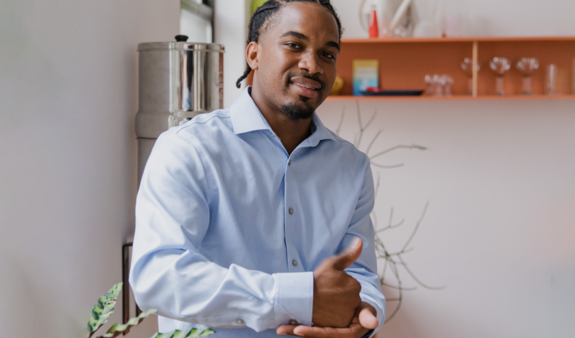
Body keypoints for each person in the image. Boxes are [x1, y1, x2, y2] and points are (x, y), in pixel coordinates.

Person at [129, 1, 385, 337]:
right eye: (294, 45)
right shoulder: (188, 148)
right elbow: (157, 278)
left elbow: (360, 275)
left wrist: (364, 314)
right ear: (254, 54)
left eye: (328, 54)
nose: (313, 65)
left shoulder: (351, 166)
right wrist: (296, 298)